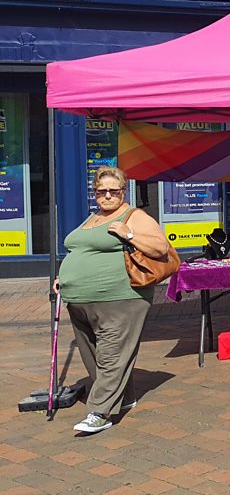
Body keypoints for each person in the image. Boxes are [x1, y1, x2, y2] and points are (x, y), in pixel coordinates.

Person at [57, 167, 170, 434]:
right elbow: (81, 251)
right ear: (94, 193)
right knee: (93, 355)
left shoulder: (134, 216)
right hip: (79, 299)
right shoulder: (93, 218)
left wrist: (128, 234)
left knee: (110, 355)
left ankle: (101, 412)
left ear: (123, 191)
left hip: (119, 298)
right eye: (101, 191)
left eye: (113, 191)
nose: (107, 196)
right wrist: (64, 277)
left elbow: (161, 247)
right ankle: (124, 397)